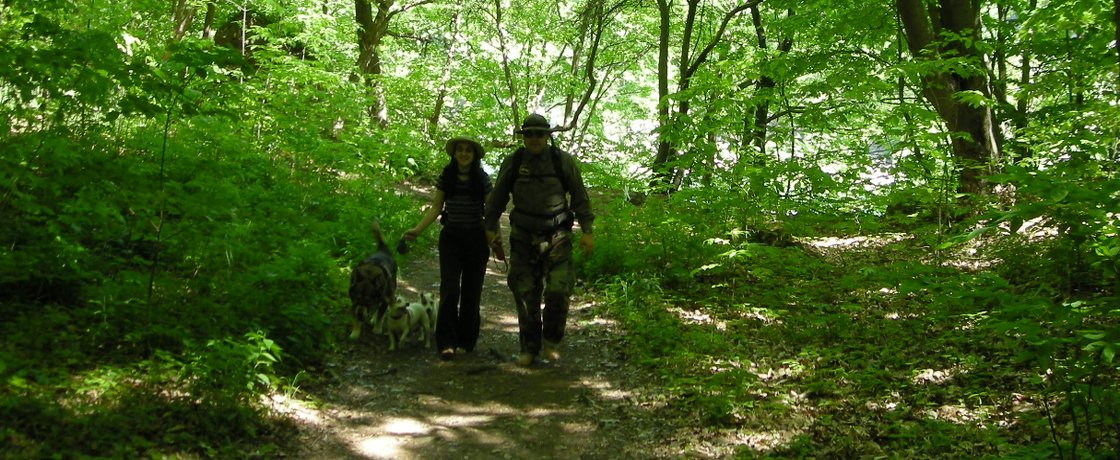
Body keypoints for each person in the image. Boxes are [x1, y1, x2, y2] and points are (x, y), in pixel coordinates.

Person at [484, 113, 594, 366]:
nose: (534, 138)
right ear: (523, 137)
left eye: (539, 134)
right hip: (523, 236)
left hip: (558, 236)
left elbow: (579, 196)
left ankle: (552, 341)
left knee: (558, 290)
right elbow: (497, 199)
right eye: (529, 134)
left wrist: (587, 230)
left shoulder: (562, 161)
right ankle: (529, 347)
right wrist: (490, 230)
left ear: (547, 136)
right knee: (525, 294)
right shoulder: (513, 162)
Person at [402, 136, 492, 361]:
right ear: (454, 154)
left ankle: (466, 341)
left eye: (468, 151)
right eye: (460, 150)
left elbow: (491, 212)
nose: (463, 154)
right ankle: (446, 342)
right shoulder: (447, 176)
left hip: (476, 240)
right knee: (450, 290)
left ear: (474, 155)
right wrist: (417, 230)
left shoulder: (482, 179)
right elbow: (436, 207)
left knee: (472, 292)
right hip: (451, 238)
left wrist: (494, 238)